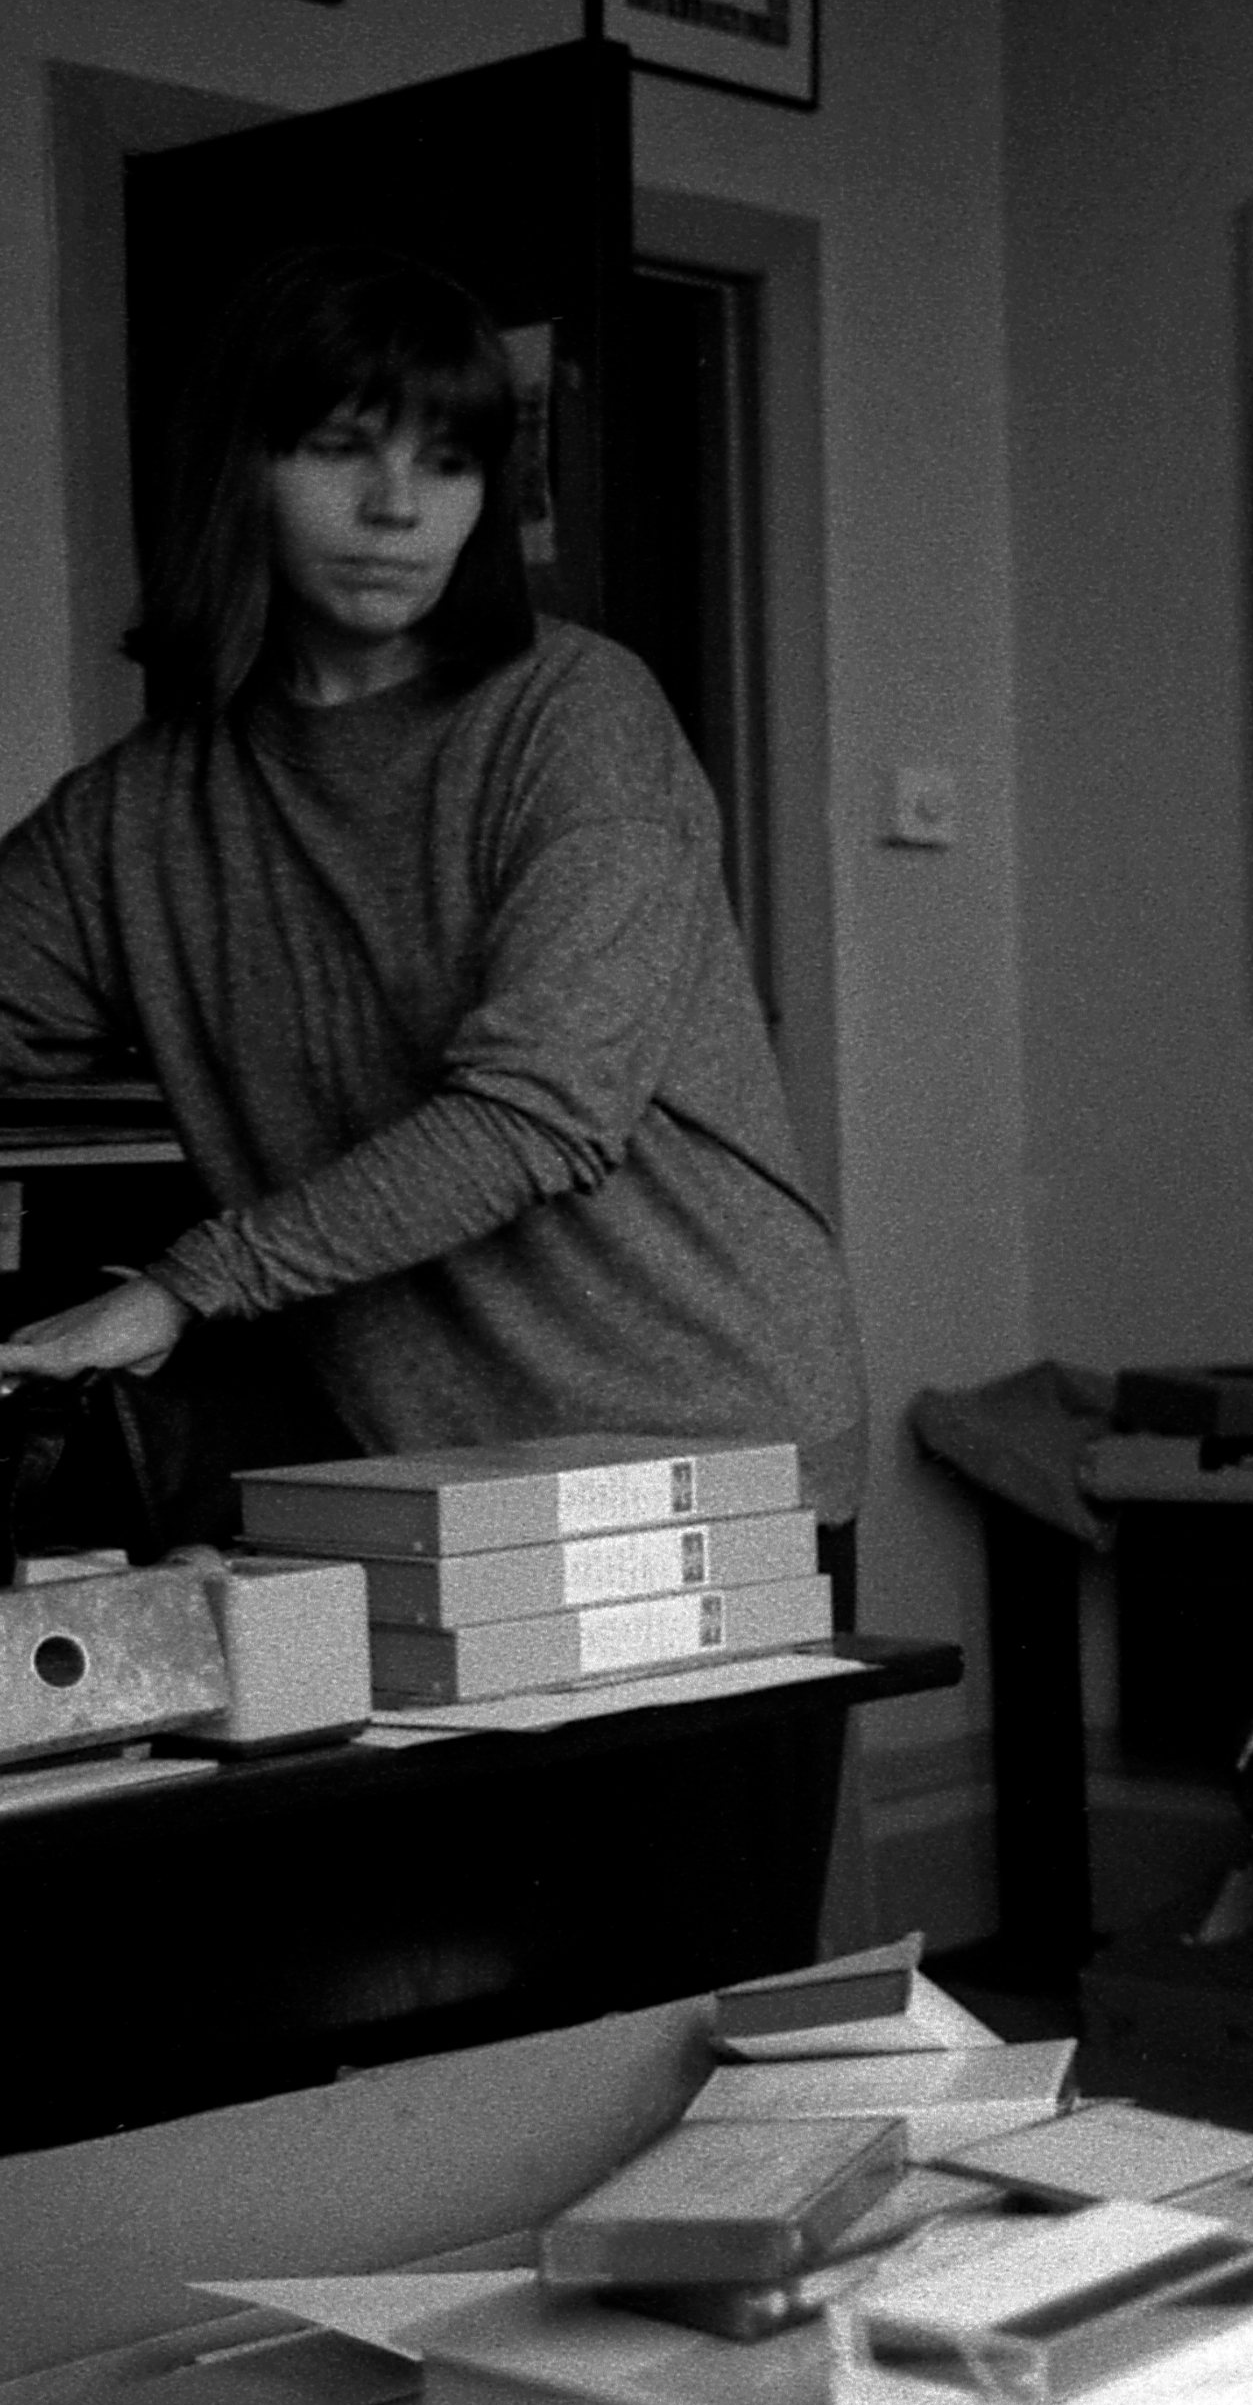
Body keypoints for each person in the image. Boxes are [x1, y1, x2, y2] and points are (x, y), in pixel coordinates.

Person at [0, 247, 867, 1525]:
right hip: (416, 1474)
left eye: (449, 464)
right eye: (345, 447)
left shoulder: (573, 715)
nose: (399, 507)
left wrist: (182, 1286)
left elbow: (539, 1111)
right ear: (240, 467)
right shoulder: (129, 814)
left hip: (700, 1440)